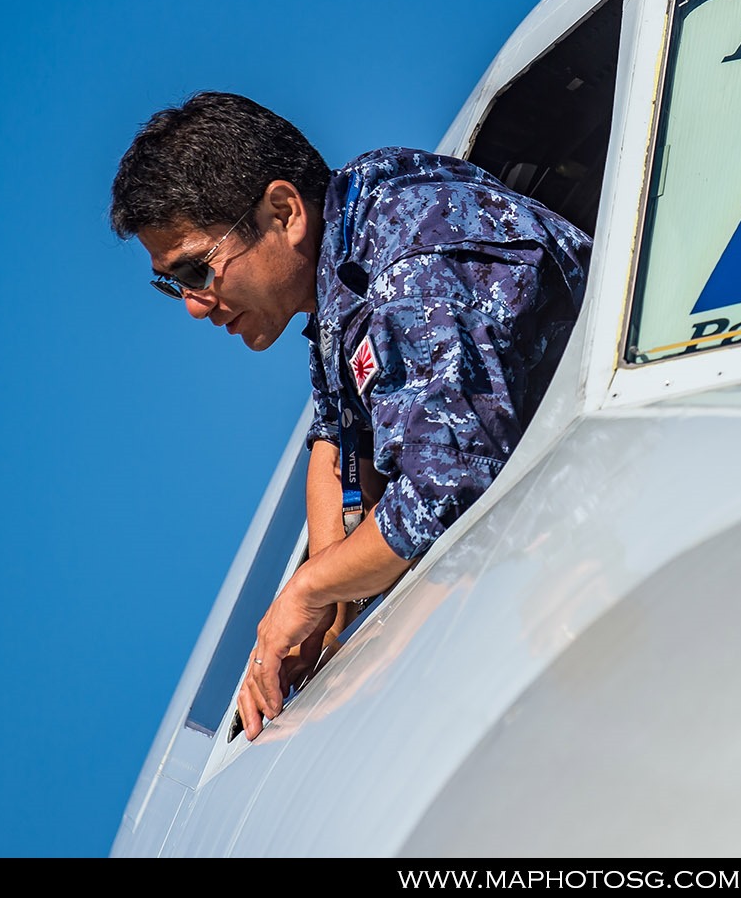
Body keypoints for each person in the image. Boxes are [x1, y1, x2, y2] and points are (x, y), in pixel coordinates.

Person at [109, 91, 592, 739]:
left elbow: (448, 486)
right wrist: (332, 599)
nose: (196, 304)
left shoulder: (407, 261)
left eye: (198, 268)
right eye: (174, 283)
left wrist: (307, 593)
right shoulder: (351, 244)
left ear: (283, 212)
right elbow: (332, 440)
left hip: (593, 539)